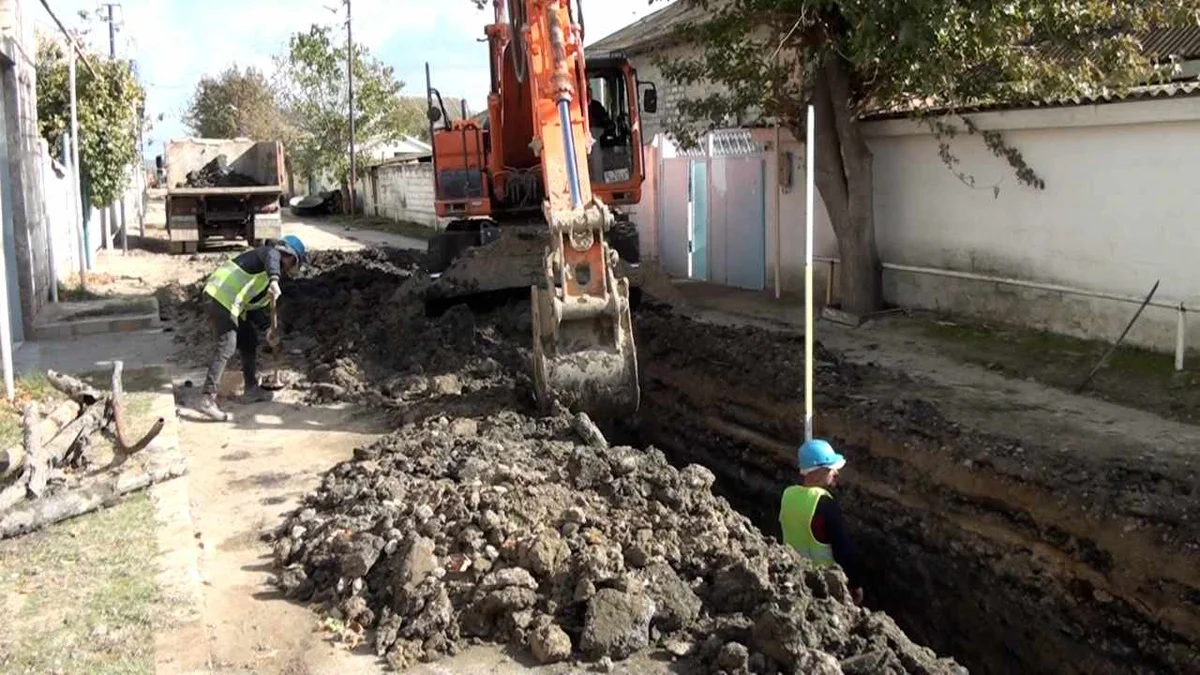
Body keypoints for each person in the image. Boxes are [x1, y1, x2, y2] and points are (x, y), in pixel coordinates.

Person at [196, 235, 307, 421]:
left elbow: (253, 308)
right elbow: (271, 255)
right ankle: (207, 399)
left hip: (234, 305)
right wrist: (273, 279)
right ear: (287, 254)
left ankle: (251, 389)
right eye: (292, 261)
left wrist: (267, 329)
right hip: (219, 297)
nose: (290, 267)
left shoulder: (265, 279)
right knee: (227, 345)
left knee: (249, 341)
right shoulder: (267, 254)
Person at [779, 438, 865, 604]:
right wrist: (855, 584)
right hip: (824, 588)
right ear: (817, 471)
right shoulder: (824, 504)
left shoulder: (788, 495)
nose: (836, 473)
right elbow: (843, 549)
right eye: (831, 468)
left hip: (793, 580)